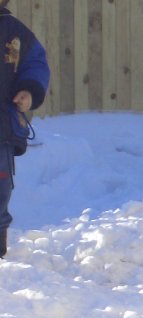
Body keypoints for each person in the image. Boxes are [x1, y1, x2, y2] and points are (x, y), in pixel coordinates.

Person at [0, 0, 49, 258]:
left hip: (2, 129)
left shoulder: (14, 33)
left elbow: (36, 64)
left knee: (0, 189)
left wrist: (29, 91)